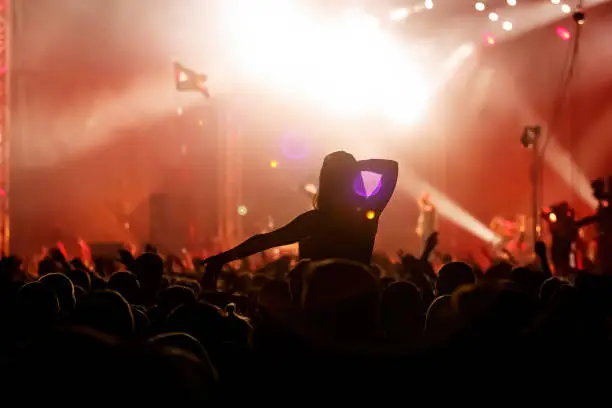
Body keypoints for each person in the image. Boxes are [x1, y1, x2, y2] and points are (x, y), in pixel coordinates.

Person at [203, 151, 398, 278]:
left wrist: (222, 259)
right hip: (358, 302)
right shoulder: (365, 215)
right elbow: (391, 167)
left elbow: (265, 241)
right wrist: (354, 166)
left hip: (318, 305)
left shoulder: (315, 221)